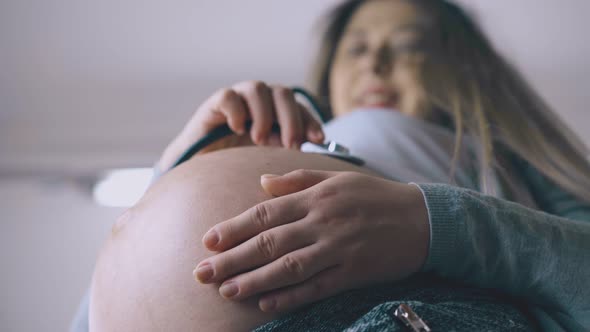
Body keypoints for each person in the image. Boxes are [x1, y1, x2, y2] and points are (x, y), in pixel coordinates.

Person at [74, 0, 590, 331]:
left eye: (407, 47)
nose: (375, 63)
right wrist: (176, 165)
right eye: (357, 49)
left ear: (468, 70)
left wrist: (435, 225)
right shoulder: (299, 133)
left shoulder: (516, 162)